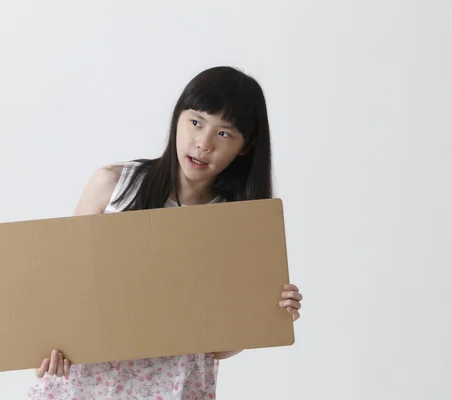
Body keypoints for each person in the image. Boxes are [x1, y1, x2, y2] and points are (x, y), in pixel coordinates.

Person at [26, 66, 303, 400]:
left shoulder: (237, 224)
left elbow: (217, 349)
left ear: (245, 147)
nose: (204, 143)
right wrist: (49, 345)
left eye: (224, 133)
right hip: (90, 383)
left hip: (174, 386)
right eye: (196, 122)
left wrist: (265, 312)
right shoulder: (113, 186)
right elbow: (63, 284)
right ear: (178, 119)